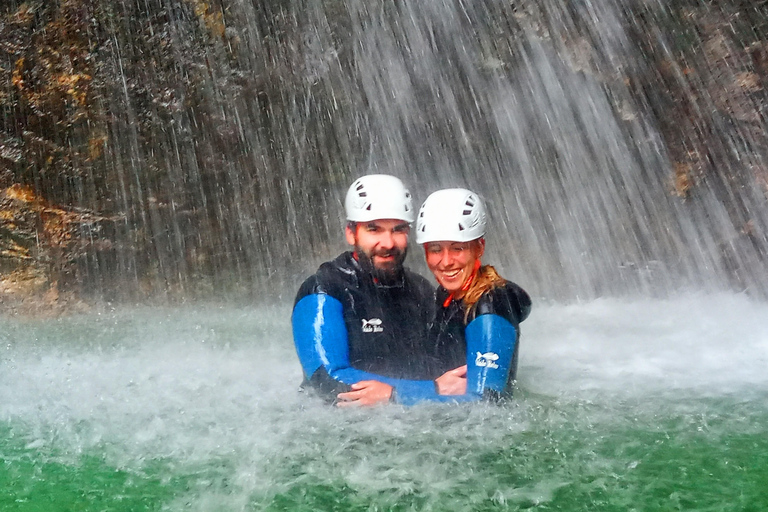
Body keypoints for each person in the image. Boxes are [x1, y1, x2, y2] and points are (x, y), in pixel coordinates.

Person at [291, 175, 465, 407]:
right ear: (351, 233)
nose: (388, 243)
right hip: (337, 427)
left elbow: (453, 371)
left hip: (411, 419)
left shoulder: (420, 290)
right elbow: (326, 380)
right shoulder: (323, 290)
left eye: (398, 230)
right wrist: (420, 391)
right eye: (374, 229)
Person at [415, 188, 532, 401]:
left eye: (457, 248)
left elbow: (486, 403)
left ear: (479, 248)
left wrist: (395, 395)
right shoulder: (446, 296)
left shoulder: (490, 305)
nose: (446, 261)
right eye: (435, 249)